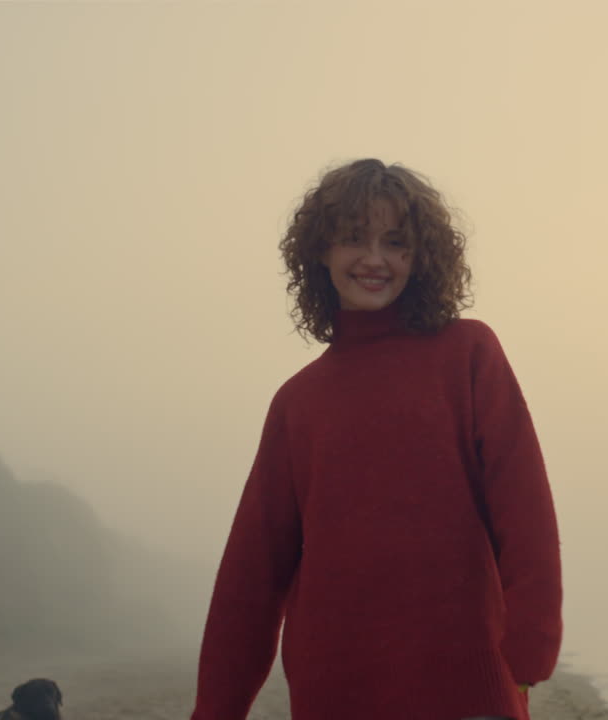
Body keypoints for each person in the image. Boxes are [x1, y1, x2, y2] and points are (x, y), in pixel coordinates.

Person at [189, 158, 563, 720]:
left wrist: (532, 638)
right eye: (353, 240)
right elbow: (252, 573)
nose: (374, 259)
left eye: (396, 243)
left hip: (467, 682)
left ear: (423, 256)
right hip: (334, 689)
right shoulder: (299, 401)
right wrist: (216, 709)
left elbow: (523, 503)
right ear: (320, 251)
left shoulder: (467, 354)